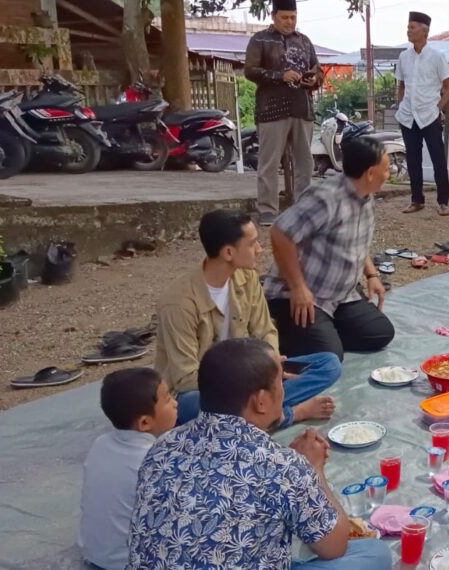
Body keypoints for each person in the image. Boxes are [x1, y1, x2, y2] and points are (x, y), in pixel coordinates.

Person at [127, 338, 391, 570]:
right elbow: (333, 547)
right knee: (374, 553)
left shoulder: (161, 447)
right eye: (281, 383)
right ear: (261, 401)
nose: (285, 390)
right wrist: (313, 471)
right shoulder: (284, 466)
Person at [156, 209, 338, 427]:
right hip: (203, 392)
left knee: (329, 364)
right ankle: (286, 415)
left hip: (249, 376)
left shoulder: (247, 278)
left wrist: (271, 364)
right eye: (252, 244)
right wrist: (251, 382)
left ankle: (255, 414)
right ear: (229, 253)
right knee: (195, 405)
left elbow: (265, 330)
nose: (260, 249)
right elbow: (185, 379)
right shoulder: (178, 303)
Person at [265, 124, 396, 359]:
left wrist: (372, 275)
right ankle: (282, 331)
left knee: (381, 333)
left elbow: (356, 240)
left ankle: (321, 332)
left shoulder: (366, 195)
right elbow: (280, 233)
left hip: (340, 296)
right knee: (330, 355)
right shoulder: (326, 198)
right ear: (370, 173)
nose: (390, 173)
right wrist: (298, 288)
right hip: (301, 296)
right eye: (386, 169)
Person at [78, 368, 177, 570]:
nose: (176, 403)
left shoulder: (101, 443)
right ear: (144, 422)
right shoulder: (157, 462)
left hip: (95, 557)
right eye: (167, 400)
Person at [244, 0, 321, 226]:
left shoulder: (304, 41)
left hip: (301, 107)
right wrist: (280, 75)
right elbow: (250, 70)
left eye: (293, 17)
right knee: (269, 162)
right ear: (274, 15)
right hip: (271, 110)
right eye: (285, 17)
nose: (289, 22)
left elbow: (318, 69)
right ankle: (267, 209)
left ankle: (303, 208)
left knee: (304, 163)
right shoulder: (259, 40)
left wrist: (314, 78)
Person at [397, 11, 449, 216]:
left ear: (424, 31)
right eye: (408, 27)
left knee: (438, 158)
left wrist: (437, 107)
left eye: (412, 27)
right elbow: (401, 85)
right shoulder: (404, 57)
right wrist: (401, 105)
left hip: (429, 115)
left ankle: (443, 202)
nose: (408, 30)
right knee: (412, 159)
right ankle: (416, 200)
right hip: (408, 116)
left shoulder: (437, 56)